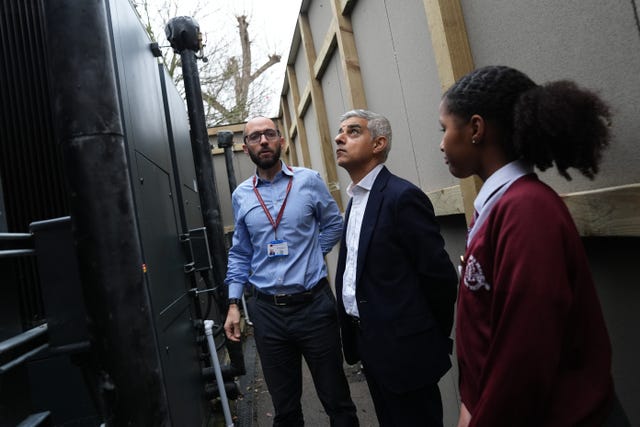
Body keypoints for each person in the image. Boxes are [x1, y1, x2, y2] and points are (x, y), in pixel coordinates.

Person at [439, 65, 626, 427]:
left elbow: (525, 353)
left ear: (476, 129)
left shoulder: (527, 210)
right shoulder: (500, 206)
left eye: (444, 129)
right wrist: (471, 401)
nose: (442, 143)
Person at [224, 116, 359, 427]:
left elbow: (333, 224)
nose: (263, 141)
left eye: (269, 134)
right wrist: (233, 304)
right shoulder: (241, 195)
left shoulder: (308, 180)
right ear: (246, 148)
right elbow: (241, 252)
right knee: (285, 410)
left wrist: (312, 252)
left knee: (337, 402)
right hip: (268, 314)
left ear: (281, 140)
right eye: (255, 137)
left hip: (314, 307)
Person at [333, 109, 458, 426]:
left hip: (406, 352)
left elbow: (439, 278)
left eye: (352, 131)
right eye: (339, 131)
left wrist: (424, 338)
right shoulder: (356, 200)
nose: (339, 138)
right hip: (370, 347)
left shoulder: (402, 197)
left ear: (379, 143)